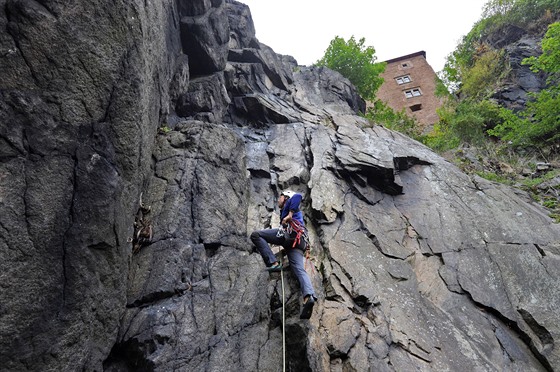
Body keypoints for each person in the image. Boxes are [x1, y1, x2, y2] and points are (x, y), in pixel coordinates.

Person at [250, 190, 316, 319]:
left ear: (286, 197)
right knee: (299, 269)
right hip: (298, 242)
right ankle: (308, 297)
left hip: (290, 234)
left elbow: (298, 196)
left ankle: (273, 263)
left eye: (280, 197)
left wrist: (290, 214)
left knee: (256, 235)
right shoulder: (288, 210)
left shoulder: (291, 203)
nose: (278, 200)